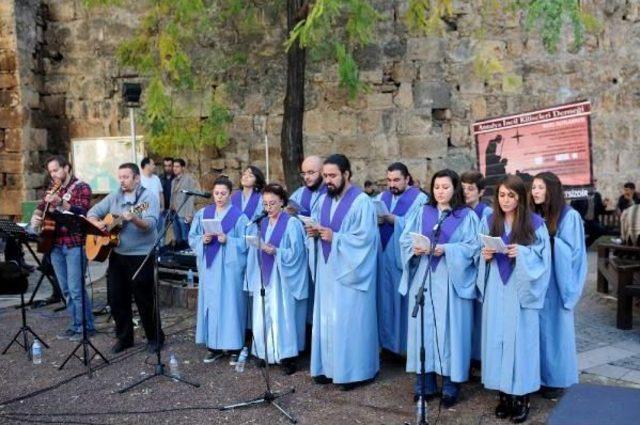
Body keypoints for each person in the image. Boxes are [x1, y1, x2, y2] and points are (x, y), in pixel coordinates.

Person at [399, 169, 479, 407]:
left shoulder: (466, 216)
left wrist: (447, 250)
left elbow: (473, 247)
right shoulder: (422, 211)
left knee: (450, 333)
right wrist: (414, 248)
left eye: (445, 187)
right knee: (423, 330)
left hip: (450, 280)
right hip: (424, 276)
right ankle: (424, 384)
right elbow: (405, 239)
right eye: (436, 187)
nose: (440, 191)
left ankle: (451, 386)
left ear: (455, 189)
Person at [477, 174, 551, 423]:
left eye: (511, 195)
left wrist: (524, 253)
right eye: (501, 195)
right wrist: (484, 256)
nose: (506, 200)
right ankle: (503, 394)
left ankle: (522, 396)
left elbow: (543, 260)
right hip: (497, 287)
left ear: (520, 197)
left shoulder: (534, 223)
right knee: (497, 338)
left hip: (520, 288)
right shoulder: (489, 221)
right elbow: (477, 254)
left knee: (520, 341)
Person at [305, 154, 379, 390]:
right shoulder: (322, 200)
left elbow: (365, 240)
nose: (328, 180)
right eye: (325, 176)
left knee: (349, 322)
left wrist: (335, 237)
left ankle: (355, 372)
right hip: (327, 270)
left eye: (332, 175)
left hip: (351, 273)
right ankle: (328, 367)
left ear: (346, 174)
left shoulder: (362, 202)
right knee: (328, 320)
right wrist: (314, 233)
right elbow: (319, 226)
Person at [87, 163, 163, 354]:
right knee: (116, 298)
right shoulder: (115, 196)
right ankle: (125, 338)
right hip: (118, 255)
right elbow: (92, 212)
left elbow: (151, 225)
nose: (122, 180)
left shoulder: (148, 198)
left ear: (137, 178)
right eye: (120, 177)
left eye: (126, 177)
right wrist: (99, 225)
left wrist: (134, 218)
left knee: (144, 299)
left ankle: (155, 337)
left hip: (141, 256)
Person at [531, 172, 587, 399]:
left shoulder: (568, 216)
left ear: (551, 190)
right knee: (535, 330)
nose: (535, 191)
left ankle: (557, 379)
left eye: (540, 188)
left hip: (556, 280)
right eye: (533, 187)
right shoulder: (532, 214)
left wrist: (550, 240)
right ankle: (537, 376)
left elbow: (573, 253)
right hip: (536, 280)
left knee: (555, 330)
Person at [245, 183, 309, 374]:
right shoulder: (261, 223)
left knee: (282, 316)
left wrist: (276, 251)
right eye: (265, 204)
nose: (268, 208)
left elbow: (298, 253)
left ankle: (286, 357)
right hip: (264, 275)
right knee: (262, 313)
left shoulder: (292, 224)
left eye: (272, 203)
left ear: (282, 202)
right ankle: (263, 352)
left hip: (282, 276)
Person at [29, 155, 95, 341]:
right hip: (55, 244)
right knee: (65, 289)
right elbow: (42, 206)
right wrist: (36, 216)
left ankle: (85, 327)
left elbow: (82, 211)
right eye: (50, 172)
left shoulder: (81, 187)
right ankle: (76, 325)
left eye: (56, 170)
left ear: (66, 168)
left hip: (74, 243)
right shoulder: (52, 187)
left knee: (76, 289)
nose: (54, 175)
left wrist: (62, 203)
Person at [188, 176, 249, 362]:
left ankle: (234, 346)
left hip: (230, 268)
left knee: (230, 305)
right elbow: (193, 237)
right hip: (210, 267)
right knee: (211, 304)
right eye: (216, 193)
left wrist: (228, 240)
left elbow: (247, 243)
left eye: (223, 193)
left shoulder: (239, 217)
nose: (219, 197)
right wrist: (202, 240)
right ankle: (213, 345)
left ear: (230, 194)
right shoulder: (203, 214)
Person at [376, 162, 427, 357]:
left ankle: (405, 347)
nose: (392, 184)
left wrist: (394, 220)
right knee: (385, 300)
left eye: (396, 180)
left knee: (403, 301)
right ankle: (388, 345)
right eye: (389, 180)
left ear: (407, 179)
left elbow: (420, 225)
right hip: (384, 256)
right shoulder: (381, 197)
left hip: (403, 258)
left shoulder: (420, 199)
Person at [288, 155, 326, 330]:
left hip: (323, 252)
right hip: (303, 253)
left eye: (311, 172)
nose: (307, 177)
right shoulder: (299, 194)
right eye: (304, 173)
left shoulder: (330, 194)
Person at [461, 170, 493, 369]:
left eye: (471, 189)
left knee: (481, 316)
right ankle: (468, 355)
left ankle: (480, 357)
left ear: (481, 192)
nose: (466, 193)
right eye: (463, 188)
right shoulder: (459, 213)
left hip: (481, 268)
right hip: (464, 270)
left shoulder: (487, 214)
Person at [170, 158, 199, 250]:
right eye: (174, 166)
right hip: (174, 213)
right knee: (177, 237)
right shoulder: (173, 181)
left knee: (185, 237)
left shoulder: (188, 179)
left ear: (183, 167)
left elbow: (191, 197)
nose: (175, 168)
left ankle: (188, 256)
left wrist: (189, 214)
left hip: (184, 213)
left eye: (177, 166)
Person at [140, 158, 164, 232]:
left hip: (158, 213)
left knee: (160, 236)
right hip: (145, 215)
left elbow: (160, 193)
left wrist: (162, 207)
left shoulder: (156, 178)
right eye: (153, 164)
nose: (154, 166)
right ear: (147, 166)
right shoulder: (139, 180)